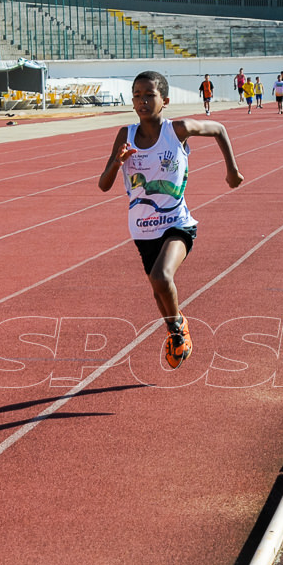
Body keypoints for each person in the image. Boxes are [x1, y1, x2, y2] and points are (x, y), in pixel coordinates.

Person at [97, 71, 242, 370]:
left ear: (165, 100)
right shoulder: (125, 135)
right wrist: (117, 162)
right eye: (136, 95)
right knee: (158, 288)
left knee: (161, 277)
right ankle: (175, 331)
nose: (142, 101)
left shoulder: (177, 130)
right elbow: (104, 184)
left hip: (177, 222)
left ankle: (178, 329)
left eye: (149, 95)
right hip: (141, 227)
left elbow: (219, 129)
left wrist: (231, 170)